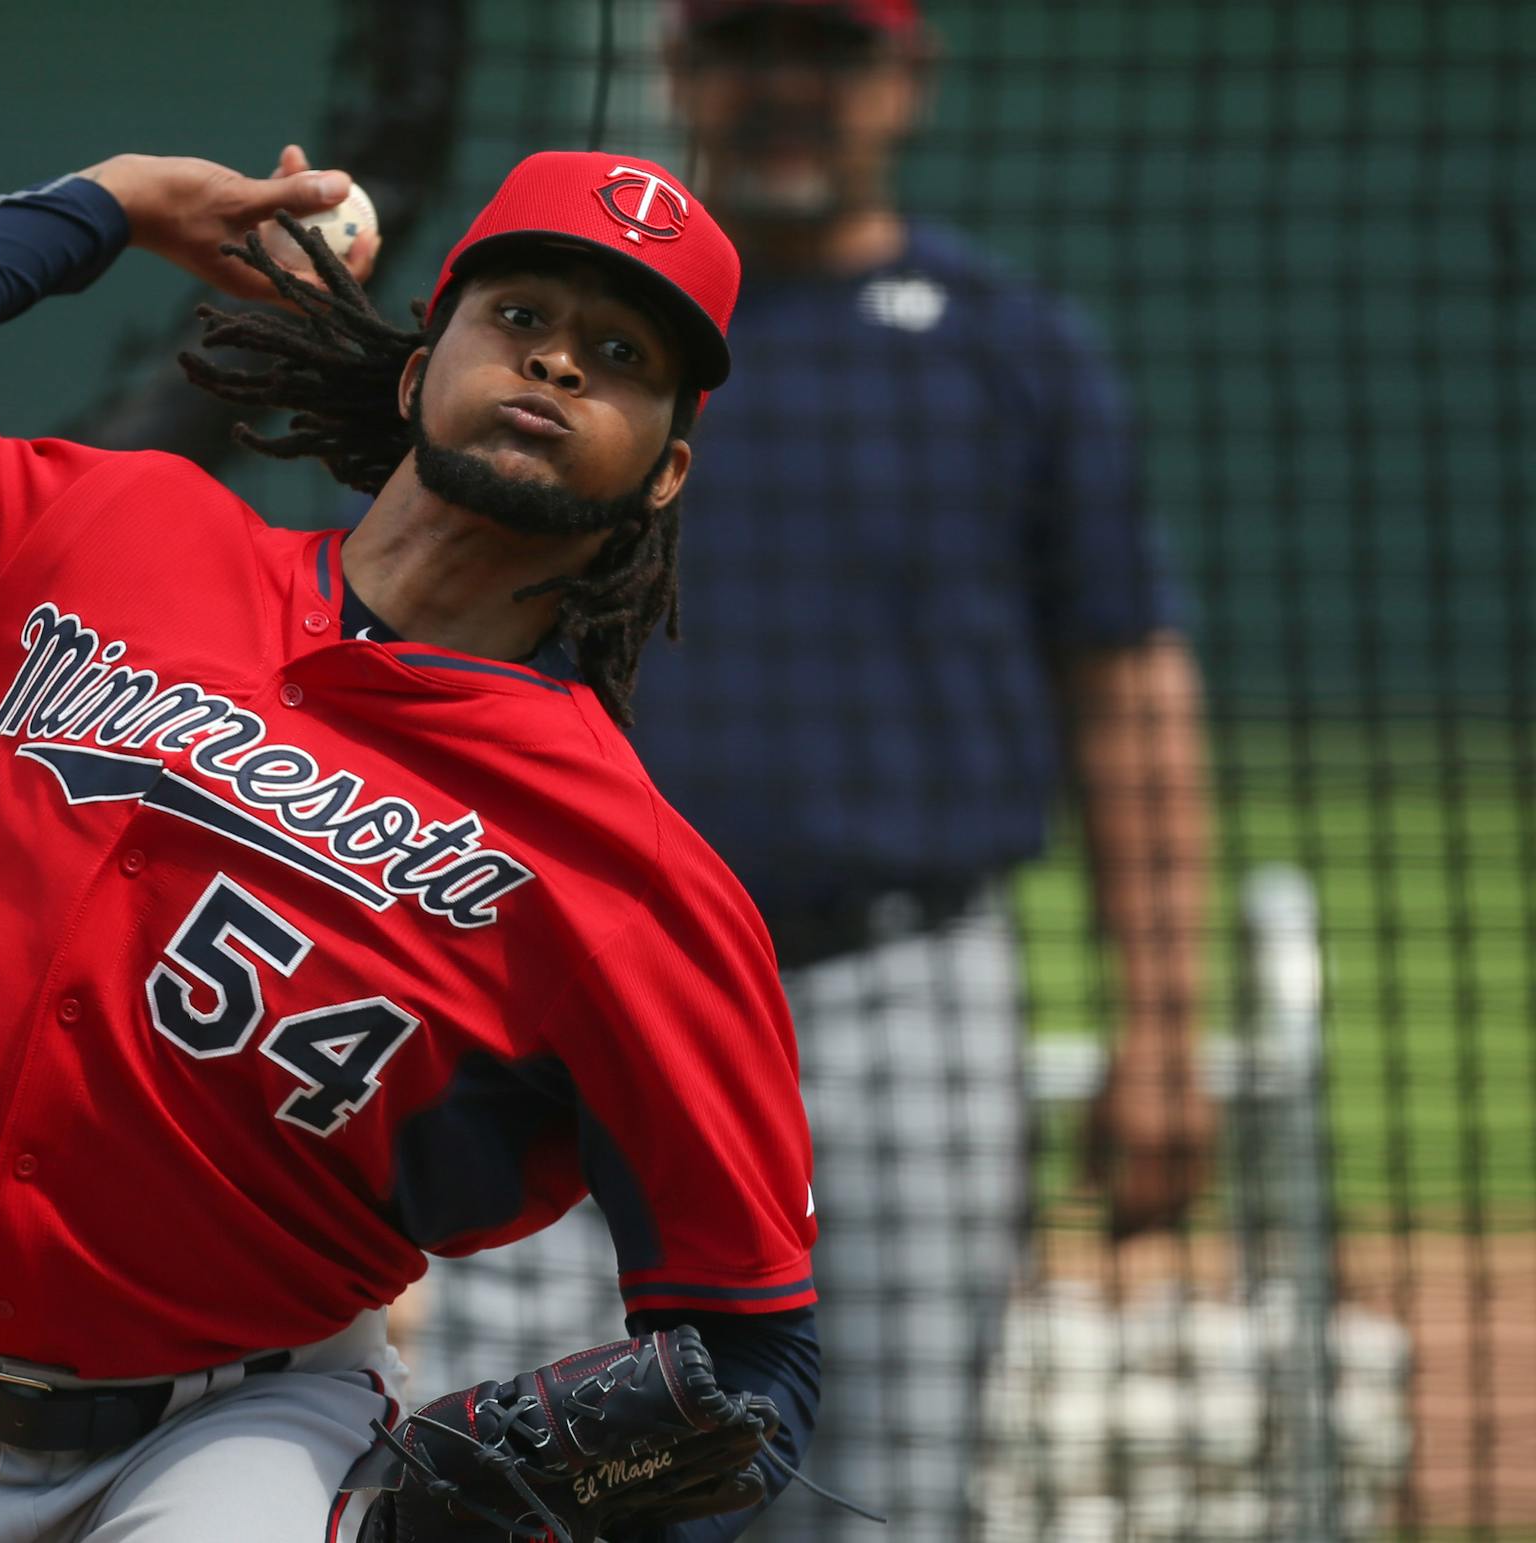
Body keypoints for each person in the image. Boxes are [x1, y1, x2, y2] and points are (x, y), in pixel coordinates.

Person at [0, 143, 826, 1542]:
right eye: (519, 319)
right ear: (417, 373)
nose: (560, 366)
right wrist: (111, 206)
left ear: (665, 474)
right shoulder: (102, 531)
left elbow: (752, 1363)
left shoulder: (626, 877)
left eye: (622, 355)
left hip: (233, 1446)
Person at [631, 2, 1216, 1537]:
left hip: (911, 996)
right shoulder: (595, 335)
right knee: (536, 1461)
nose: (785, 89)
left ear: (908, 78)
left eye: (830, 49)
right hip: (598, 995)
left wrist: (1164, 1026)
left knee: (887, 1488)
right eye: (747, 46)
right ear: (681, 71)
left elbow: (1129, 680)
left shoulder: (1009, 348)